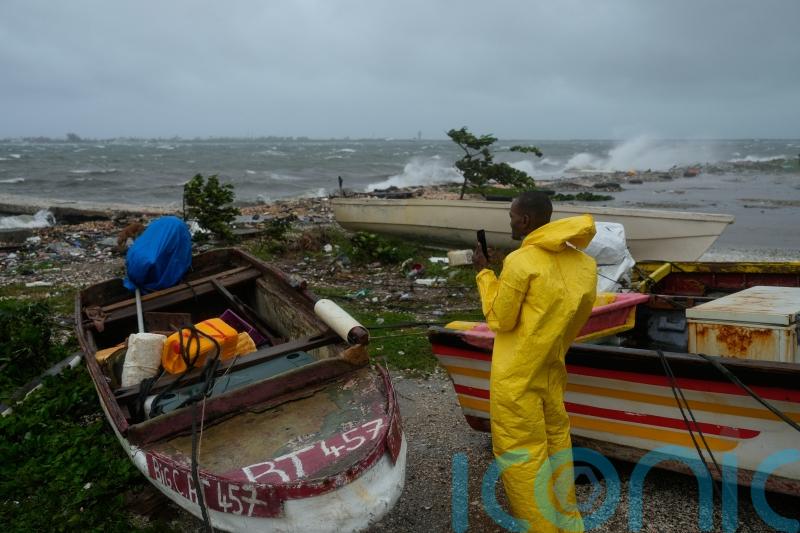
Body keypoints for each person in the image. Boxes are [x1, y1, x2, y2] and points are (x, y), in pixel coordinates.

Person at [473, 191, 597, 533]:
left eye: (512, 215)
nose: (510, 221)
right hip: (552, 367)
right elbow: (567, 315)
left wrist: (485, 275)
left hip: (517, 377)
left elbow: (501, 319)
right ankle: (569, 523)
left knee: (523, 454)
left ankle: (540, 528)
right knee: (558, 442)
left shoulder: (521, 261)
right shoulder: (584, 265)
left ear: (524, 220)